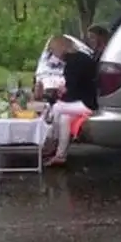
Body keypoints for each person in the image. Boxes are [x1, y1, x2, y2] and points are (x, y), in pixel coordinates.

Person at [43, 35, 98, 167]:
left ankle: (52, 142)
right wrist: (64, 91)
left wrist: (59, 94)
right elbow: (76, 86)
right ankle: (60, 155)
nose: (53, 54)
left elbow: (71, 92)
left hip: (87, 103)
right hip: (88, 100)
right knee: (64, 119)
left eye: (53, 50)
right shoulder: (80, 58)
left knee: (56, 108)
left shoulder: (73, 63)